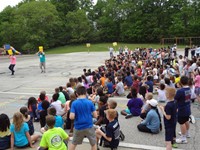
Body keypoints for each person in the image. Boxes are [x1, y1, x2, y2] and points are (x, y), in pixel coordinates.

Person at [69, 86, 97, 150]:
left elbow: (71, 117)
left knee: (74, 143)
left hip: (78, 127)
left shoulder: (74, 103)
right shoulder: (90, 102)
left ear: (76, 94)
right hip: (89, 126)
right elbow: (95, 115)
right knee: (93, 143)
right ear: (86, 93)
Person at [175, 76, 191, 144]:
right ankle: (187, 133)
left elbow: (175, 99)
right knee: (186, 120)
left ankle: (183, 138)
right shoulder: (189, 89)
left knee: (182, 123)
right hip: (187, 108)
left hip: (181, 109)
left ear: (181, 82)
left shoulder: (180, 91)